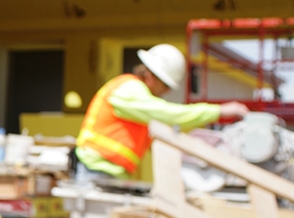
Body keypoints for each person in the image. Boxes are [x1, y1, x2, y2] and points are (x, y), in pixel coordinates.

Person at [74, 43, 250, 182]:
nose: (166, 91)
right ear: (150, 75)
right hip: (96, 169)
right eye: (166, 85)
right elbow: (168, 114)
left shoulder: (139, 100)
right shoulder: (128, 89)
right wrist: (218, 111)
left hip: (110, 172)